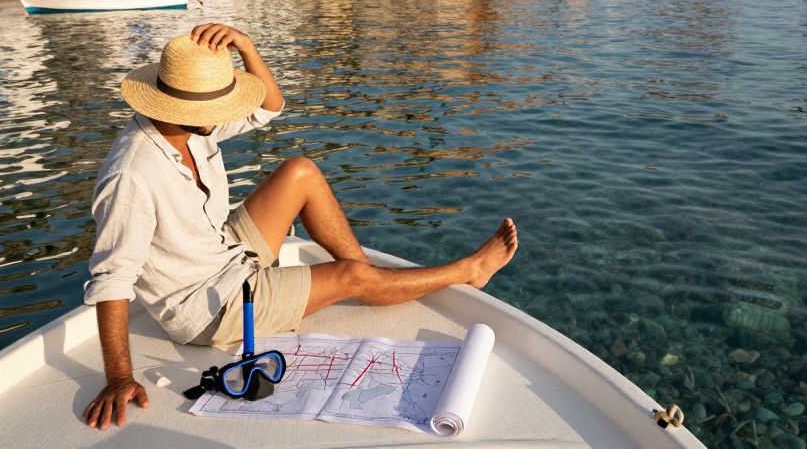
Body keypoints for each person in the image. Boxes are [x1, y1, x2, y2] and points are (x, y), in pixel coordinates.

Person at [81, 23, 518, 430]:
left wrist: (247, 47)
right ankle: (462, 272)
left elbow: (269, 106)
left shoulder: (191, 124)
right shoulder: (131, 174)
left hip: (225, 251)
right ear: (183, 104)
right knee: (351, 276)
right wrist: (120, 377)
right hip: (209, 306)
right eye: (219, 102)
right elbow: (112, 278)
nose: (226, 109)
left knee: (300, 171)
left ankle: (364, 281)